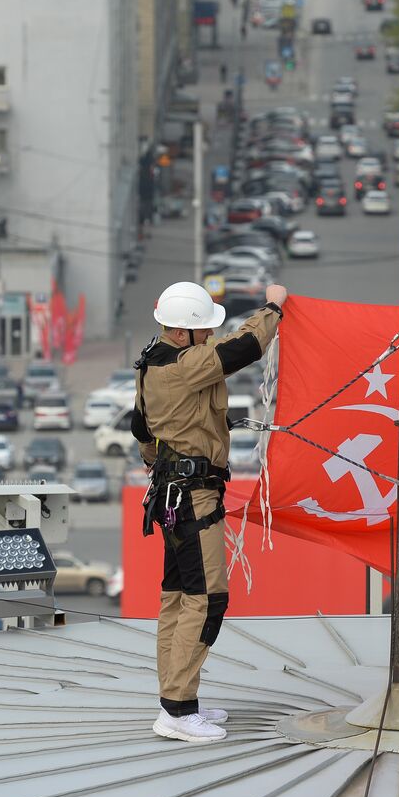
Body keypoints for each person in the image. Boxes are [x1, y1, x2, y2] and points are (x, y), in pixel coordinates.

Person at [133, 280, 287, 742]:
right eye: (202, 331)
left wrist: (160, 464)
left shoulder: (151, 360)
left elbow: (141, 427)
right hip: (192, 496)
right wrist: (273, 307)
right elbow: (244, 347)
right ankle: (177, 710)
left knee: (179, 596)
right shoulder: (183, 366)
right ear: (181, 332)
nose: (207, 338)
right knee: (208, 599)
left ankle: (179, 700)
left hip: (173, 491)